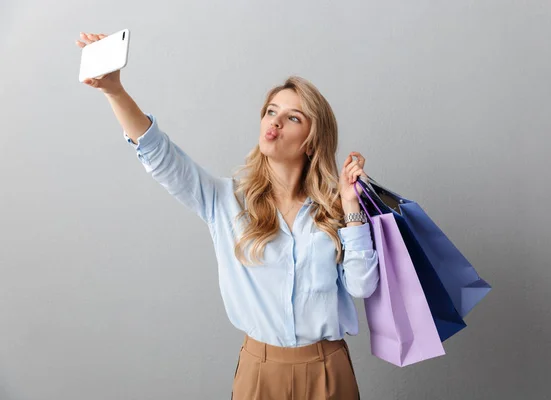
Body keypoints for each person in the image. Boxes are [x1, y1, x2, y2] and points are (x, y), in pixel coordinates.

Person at [76, 32, 379, 400]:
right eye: (271, 111)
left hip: (328, 369)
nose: (275, 122)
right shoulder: (224, 200)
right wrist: (114, 92)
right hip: (260, 370)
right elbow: (159, 155)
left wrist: (350, 207)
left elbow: (363, 287)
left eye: (292, 117)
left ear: (312, 141)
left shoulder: (336, 209)